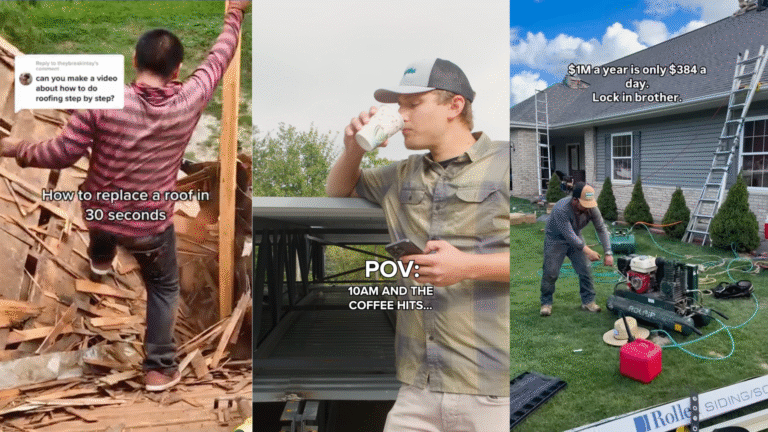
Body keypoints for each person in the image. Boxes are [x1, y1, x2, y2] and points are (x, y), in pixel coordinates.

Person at [0, 1, 250, 391]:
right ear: (177, 71)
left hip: (100, 211)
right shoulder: (190, 100)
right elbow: (220, 57)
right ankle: (158, 368)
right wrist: (235, 12)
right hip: (149, 226)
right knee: (163, 287)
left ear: (134, 60)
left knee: (101, 223)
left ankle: (100, 260)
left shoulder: (103, 103)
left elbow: (60, 154)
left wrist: (16, 147)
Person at [326, 58, 510, 432]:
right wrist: (353, 149)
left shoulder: (507, 162)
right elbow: (338, 189)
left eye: (413, 104)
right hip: (418, 388)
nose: (402, 116)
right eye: (399, 106)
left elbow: (540, 257)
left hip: (492, 389)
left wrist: (468, 266)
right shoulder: (401, 175)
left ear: (454, 106)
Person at [540, 182, 613, 316]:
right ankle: (546, 303)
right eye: (585, 204)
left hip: (576, 236)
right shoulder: (561, 209)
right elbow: (569, 235)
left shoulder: (591, 208)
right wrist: (589, 251)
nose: (588, 208)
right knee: (551, 272)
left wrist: (608, 252)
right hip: (555, 240)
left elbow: (601, 228)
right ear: (575, 200)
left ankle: (588, 302)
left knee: (585, 269)